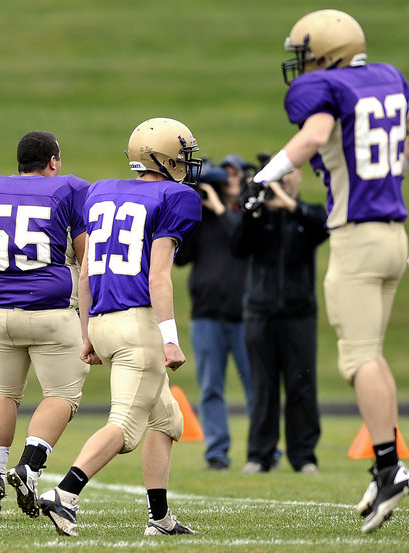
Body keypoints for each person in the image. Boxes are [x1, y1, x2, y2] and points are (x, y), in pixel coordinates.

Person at [251, 9, 409, 533]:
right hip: (394, 235)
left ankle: (390, 467)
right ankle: (386, 464)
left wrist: (265, 175)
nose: (301, 69)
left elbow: (315, 134)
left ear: (326, 54)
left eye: (305, 57)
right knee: (374, 355)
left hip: (357, 237)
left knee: (358, 358)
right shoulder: (389, 79)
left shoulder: (327, 93)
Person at [38, 118, 202, 537]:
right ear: (163, 158)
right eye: (182, 155)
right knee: (125, 427)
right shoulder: (175, 196)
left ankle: (160, 518)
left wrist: (87, 331)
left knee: (167, 420)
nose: (188, 164)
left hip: (105, 322)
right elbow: (159, 276)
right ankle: (66, 493)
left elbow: (86, 272)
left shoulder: (101, 192)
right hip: (139, 326)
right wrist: (170, 341)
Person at [0, 131, 90, 519]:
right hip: (52, 313)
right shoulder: (70, 190)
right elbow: (87, 261)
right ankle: (30, 466)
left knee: (1, 393)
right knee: (61, 396)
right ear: (53, 161)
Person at [234, 167, 328, 474]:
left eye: (288, 173)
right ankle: (260, 454)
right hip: (260, 312)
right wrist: (251, 207)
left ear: (299, 175)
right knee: (264, 386)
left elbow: (324, 226)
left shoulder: (307, 213)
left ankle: (304, 456)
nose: (283, 179)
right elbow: (237, 245)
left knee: (302, 384)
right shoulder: (260, 215)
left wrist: (289, 204)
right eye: (278, 174)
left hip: (298, 313)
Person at [174, 156, 253, 471]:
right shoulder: (203, 217)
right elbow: (182, 258)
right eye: (226, 175)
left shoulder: (247, 214)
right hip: (206, 313)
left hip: (246, 314)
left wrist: (221, 208)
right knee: (210, 386)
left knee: (256, 386)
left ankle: (264, 450)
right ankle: (217, 451)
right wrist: (194, 210)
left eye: (235, 174)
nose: (229, 180)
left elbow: (241, 237)